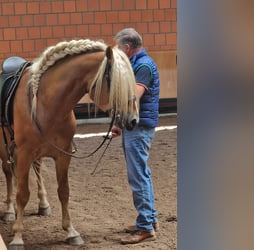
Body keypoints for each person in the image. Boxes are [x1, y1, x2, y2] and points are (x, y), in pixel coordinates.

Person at [112, 28, 160, 245]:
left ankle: (145, 228)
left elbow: (133, 97)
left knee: (138, 176)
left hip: (139, 128)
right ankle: (150, 220)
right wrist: (119, 124)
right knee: (143, 174)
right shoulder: (138, 64)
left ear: (128, 48)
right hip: (135, 126)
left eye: (119, 48)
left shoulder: (142, 66)